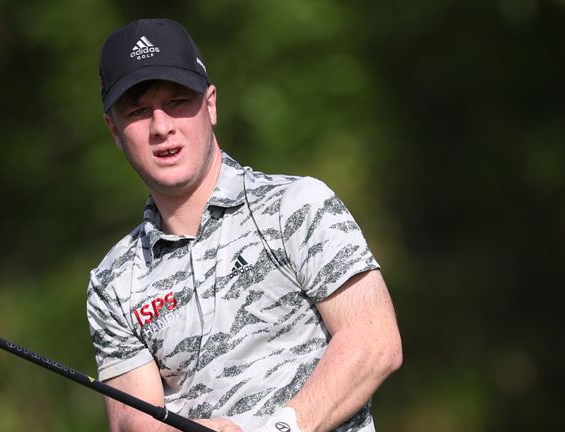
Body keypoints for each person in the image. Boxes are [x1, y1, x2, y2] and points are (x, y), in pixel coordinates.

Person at [86, 18, 402, 432]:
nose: (161, 127)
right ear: (114, 129)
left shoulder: (295, 206)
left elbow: (374, 340)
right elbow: (135, 422)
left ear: (211, 104)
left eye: (177, 101)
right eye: (138, 111)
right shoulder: (113, 283)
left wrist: (279, 430)